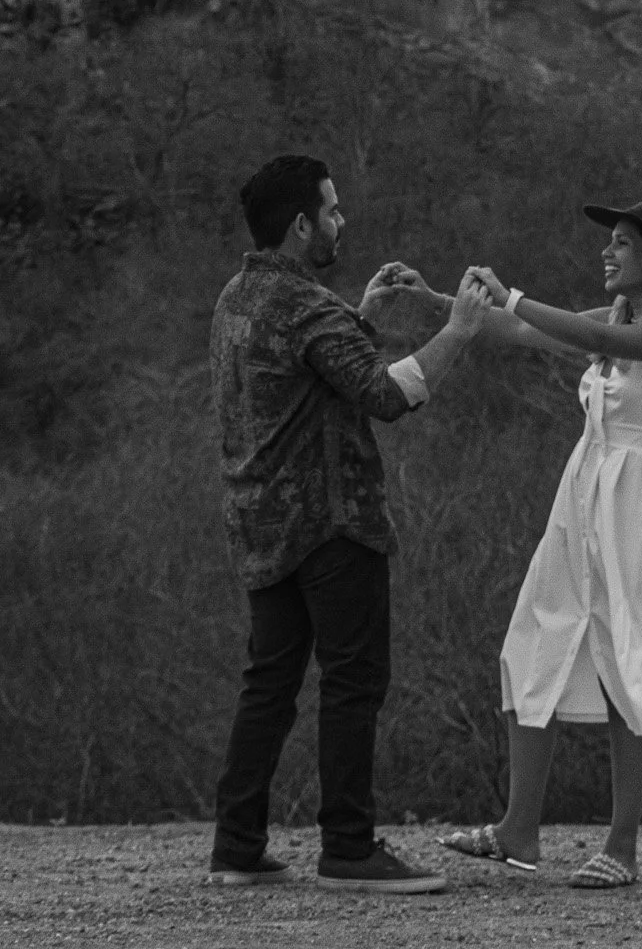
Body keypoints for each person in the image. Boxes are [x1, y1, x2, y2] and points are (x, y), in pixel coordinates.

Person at [429, 194, 642, 889]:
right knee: (530, 647)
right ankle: (518, 831)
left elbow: (583, 335)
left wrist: (512, 292)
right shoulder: (617, 319)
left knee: (628, 669)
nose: (606, 253)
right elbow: (517, 329)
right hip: (581, 497)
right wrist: (438, 298)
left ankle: (622, 847)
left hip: (640, 509)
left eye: (621, 243)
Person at [208, 153, 491, 895]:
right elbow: (385, 396)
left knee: (269, 684)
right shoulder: (307, 307)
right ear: (302, 226)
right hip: (332, 524)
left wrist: (361, 316)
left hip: (260, 525)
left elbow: (315, 371)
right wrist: (459, 330)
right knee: (353, 682)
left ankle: (236, 845)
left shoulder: (237, 297)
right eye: (332, 210)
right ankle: (348, 847)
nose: (342, 220)